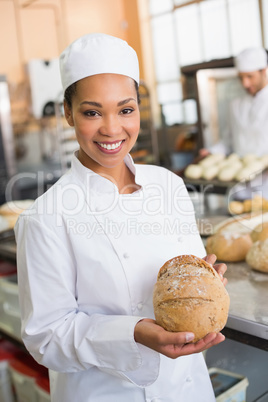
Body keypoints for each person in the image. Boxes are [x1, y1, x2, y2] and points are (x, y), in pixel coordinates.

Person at [15, 33, 227, 402]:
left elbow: (188, 270)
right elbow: (45, 338)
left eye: (126, 109)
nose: (112, 129)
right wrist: (133, 333)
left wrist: (205, 280)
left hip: (188, 387)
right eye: (92, 112)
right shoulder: (46, 217)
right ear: (68, 112)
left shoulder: (168, 185)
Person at [200, 46, 268, 157]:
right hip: (241, 171)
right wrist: (212, 151)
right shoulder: (235, 105)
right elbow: (228, 141)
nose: (245, 83)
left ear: (263, 71)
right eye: (240, 78)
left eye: (250, 77)